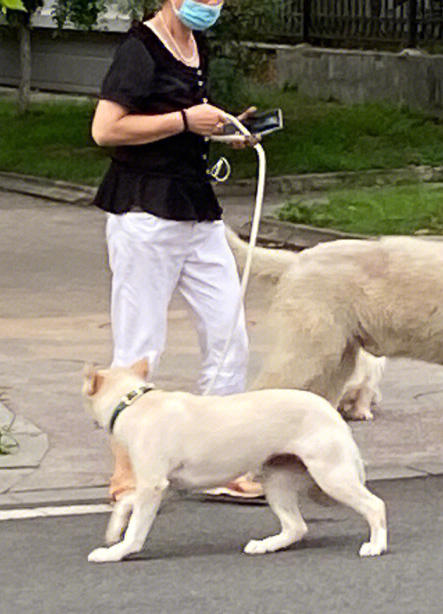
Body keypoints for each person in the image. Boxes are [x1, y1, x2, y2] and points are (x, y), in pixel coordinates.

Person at [91, 0, 262, 502]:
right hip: (144, 212)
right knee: (140, 345)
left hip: (196, 208)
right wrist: (185, 120)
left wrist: (220, 128)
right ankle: (126, 472)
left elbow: (191, 119)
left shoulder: (195, 43)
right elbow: (105, 130)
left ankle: (218, 461)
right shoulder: (139, 50)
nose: (210, 3)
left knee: (229, 333)